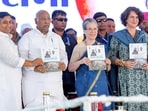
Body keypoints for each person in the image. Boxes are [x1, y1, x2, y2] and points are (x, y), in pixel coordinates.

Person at [18, 10, 68, 108]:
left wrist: (63, 64)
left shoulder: (56, 38)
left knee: (56, 108)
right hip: (35, 86)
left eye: (48, 19)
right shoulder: (27, 38)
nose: (46, 22)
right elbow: (22, 59)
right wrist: (33, 67)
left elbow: (63, 56)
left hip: (54, 84)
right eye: (43, 19)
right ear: (36, 21)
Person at [0, 11, 44, 111]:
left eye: (10, 22)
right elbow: (13, 60)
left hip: (12, 84)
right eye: (4, 22)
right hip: (4, 85)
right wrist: (33, 63)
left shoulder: (6, 38)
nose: (9, 25)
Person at [109, 6, 148, 111]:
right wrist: (123, 62)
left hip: (143, 77)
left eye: (136, 17)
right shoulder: (117, 36)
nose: (134, 20)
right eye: (131, 17)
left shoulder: (144, 36)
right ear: (125, 19)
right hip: (126, 76)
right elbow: (111, 57)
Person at [68, 18, 113, 110]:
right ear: (84, 31)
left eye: (95, 29)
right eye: (89, 29)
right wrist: (81, 61)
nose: (93, 31)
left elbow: (106, 69)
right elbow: (70, 68)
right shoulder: (79, 47)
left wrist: (108, 64)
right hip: (85, 84)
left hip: (101, 84)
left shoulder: (101, 46)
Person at [51, 10, 77, 98]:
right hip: (52, 77)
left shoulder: (71, 39)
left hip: (69, 78)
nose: (63, 22)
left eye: (65, 20)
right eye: (60, 19)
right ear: (52, 21)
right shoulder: (46, 37)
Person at [93, 12, 118, 98]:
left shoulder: (114, 38)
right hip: (99, 72)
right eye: (99, 21)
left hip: (114, 71)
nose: (102, 22)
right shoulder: (92, 38)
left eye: (105, 20)